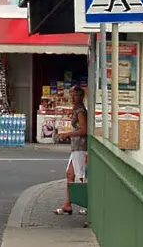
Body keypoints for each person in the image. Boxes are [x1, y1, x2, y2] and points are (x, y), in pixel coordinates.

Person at [54, 85, 88, 215]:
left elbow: (84, 130)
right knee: (70, 174)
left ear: (81, 96)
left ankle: (84, 203)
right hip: (76, 147)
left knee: (80, 175)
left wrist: (67, 134)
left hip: (81, 146)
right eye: (71, 95)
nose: (72, 98)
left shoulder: (80, 110)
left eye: (75, 95)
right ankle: (67, 204)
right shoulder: (76, 109)